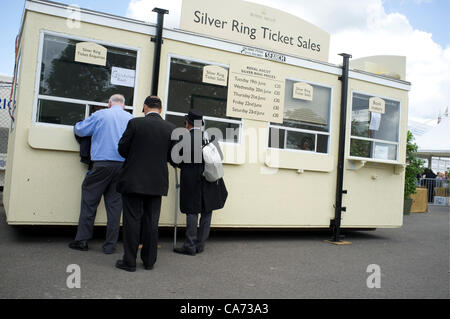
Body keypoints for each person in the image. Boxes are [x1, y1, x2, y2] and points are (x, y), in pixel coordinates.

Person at [115, 96, 176, 272]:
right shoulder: (171, 128)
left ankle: (129, 262)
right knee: (151, 222)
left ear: (145, 107)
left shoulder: (135, 123)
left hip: (133, 180)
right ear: (161, 109)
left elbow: (122, 149)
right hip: (157, 182)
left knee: (132, 221)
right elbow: (172, 157)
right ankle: (149, 261)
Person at [69, 94, 132, 254]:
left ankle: (82, 241)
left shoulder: (100, 115)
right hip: (122, 166)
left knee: (89, 200)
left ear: (110, 104)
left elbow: (80, 130)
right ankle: (110, 245)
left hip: (102, 164)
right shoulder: (131, 118)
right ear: (123, 105)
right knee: (115, 206)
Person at [173, 110, 228, 256]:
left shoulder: (184, 138)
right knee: (206, 211)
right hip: (209, 179)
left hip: (191, 180)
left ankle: (190, 245)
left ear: (188, 124)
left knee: (192, 212)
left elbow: (175, 160)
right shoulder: (211, 137)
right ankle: (200, 245)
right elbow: (219, 157)